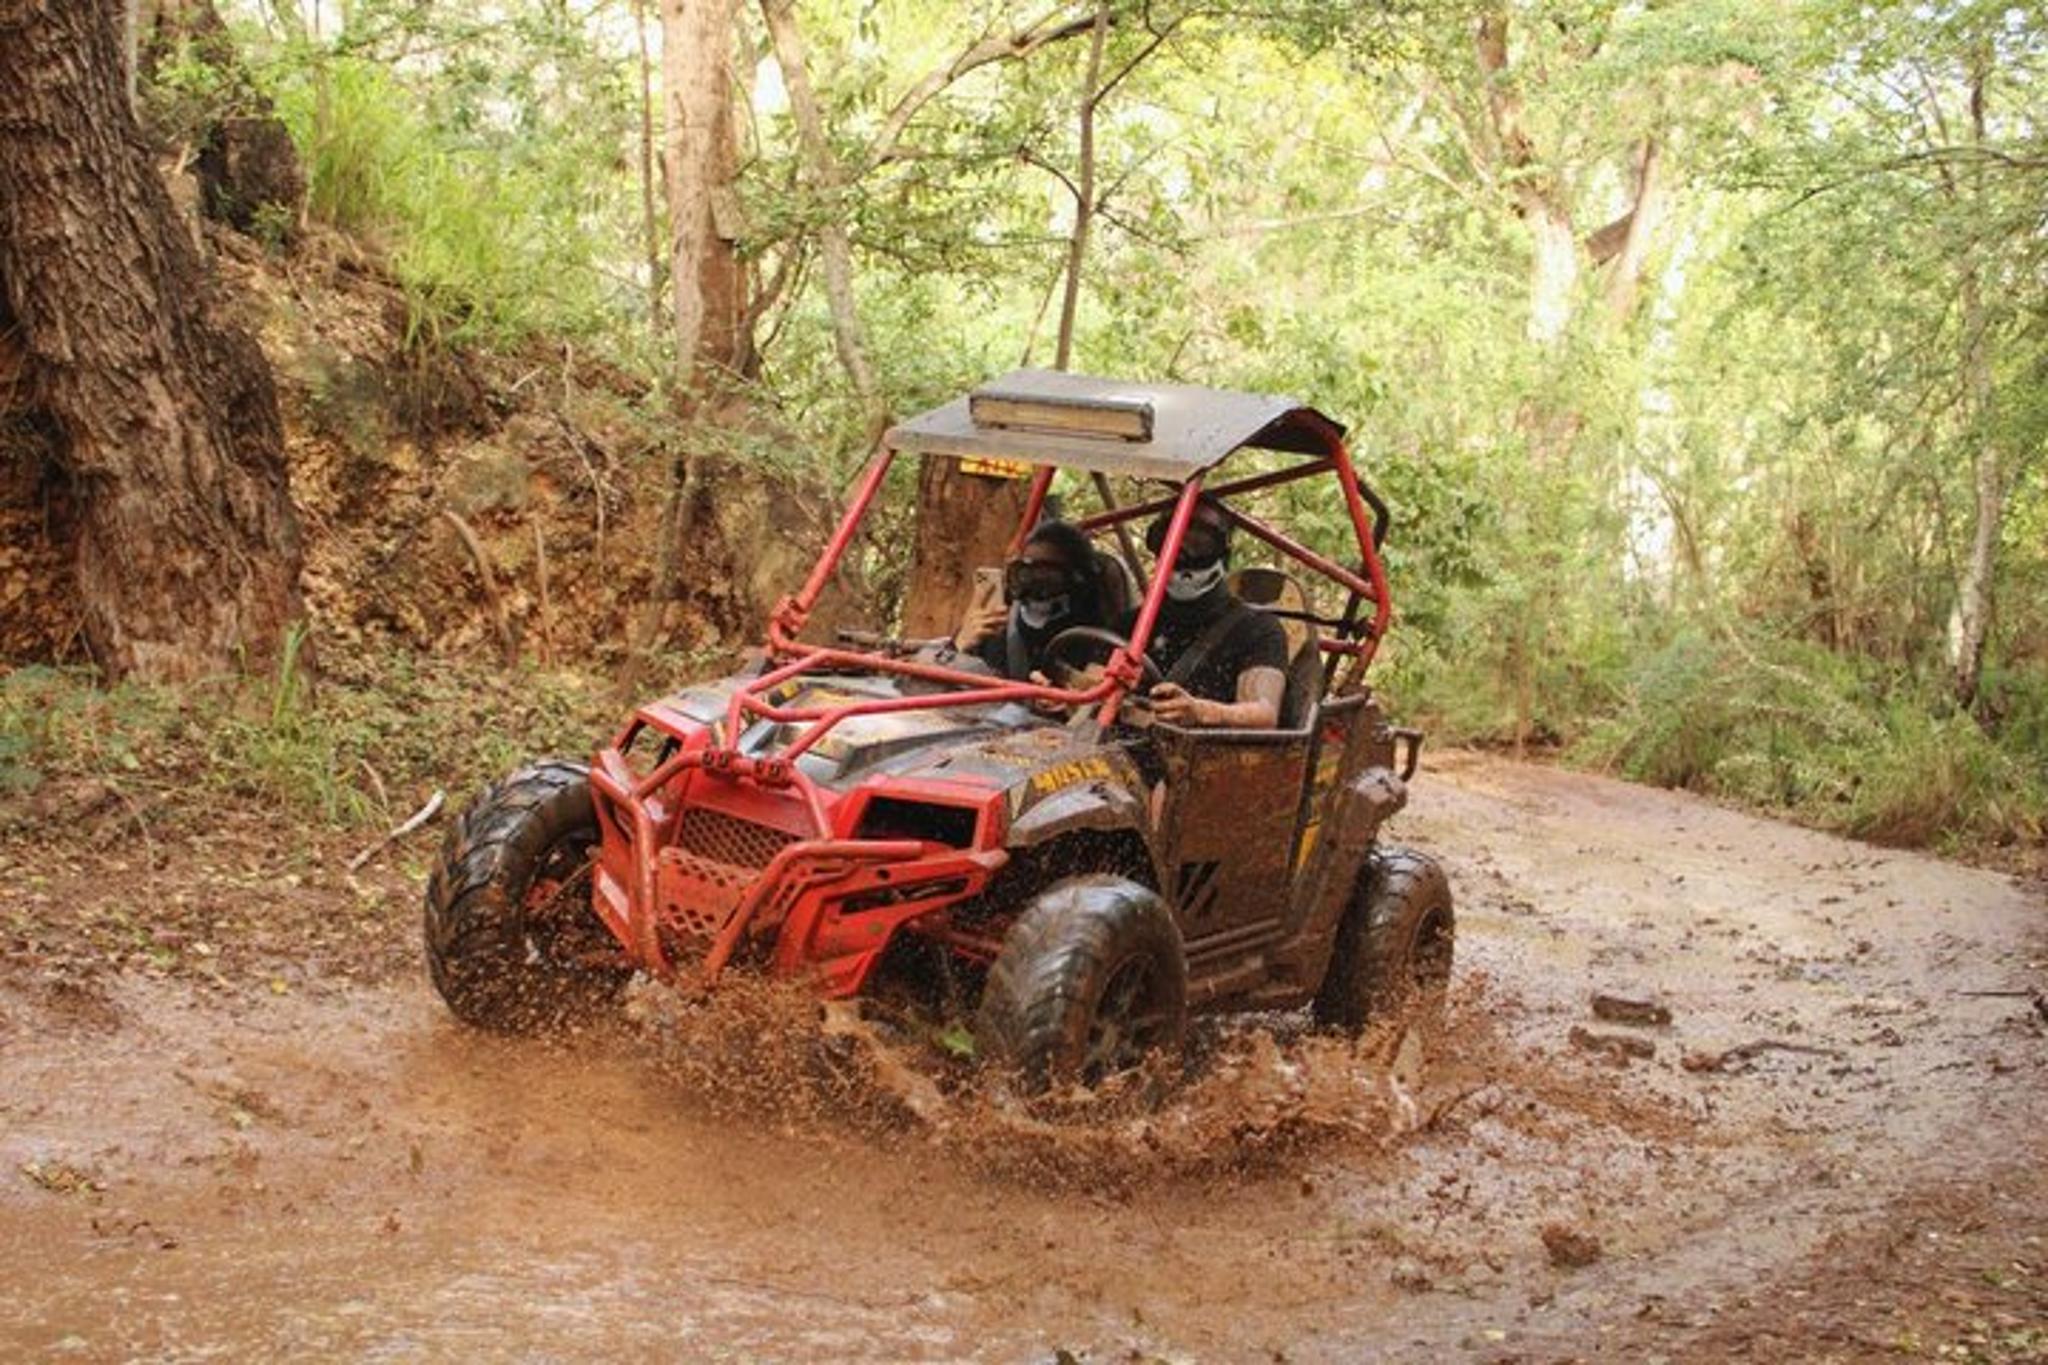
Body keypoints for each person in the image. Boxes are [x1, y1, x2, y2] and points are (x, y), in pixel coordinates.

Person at [1135, 495, 1287, 729]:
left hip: (1206, 758)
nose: (1182, 550)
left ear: (1222, 549)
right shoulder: (1133, 623)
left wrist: (1201, 711)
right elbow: (1091, 687)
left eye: (1198, 539)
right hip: (1110, 753)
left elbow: (1264, 714)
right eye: (1170, 538)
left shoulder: (1258, 629)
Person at [952, 519, 1109, 680]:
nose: (1033, 590)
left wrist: (1066, 695)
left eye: (1047, 578)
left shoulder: (1098, 643)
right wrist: (958, 647)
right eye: (1025, 576)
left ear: (1078, 579)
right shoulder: (995, 630)